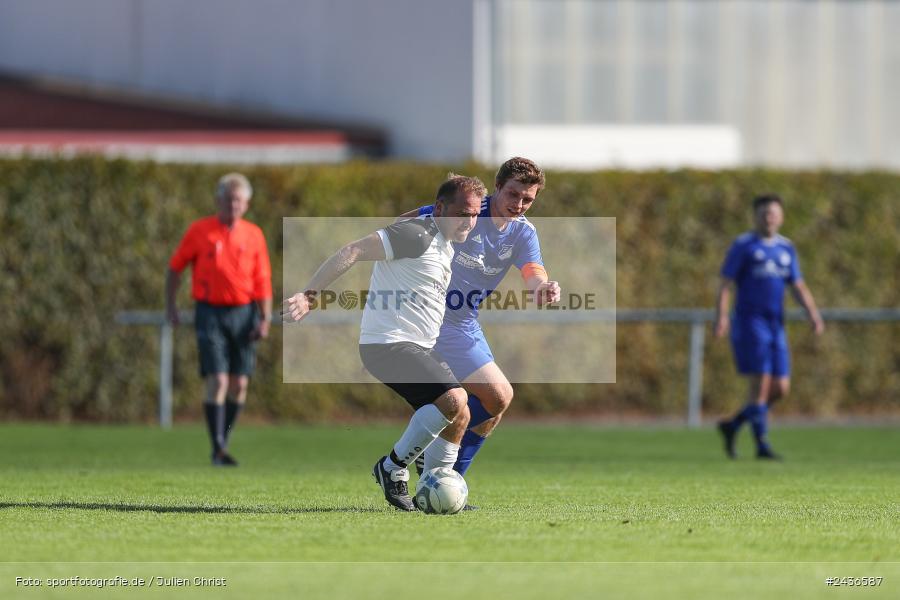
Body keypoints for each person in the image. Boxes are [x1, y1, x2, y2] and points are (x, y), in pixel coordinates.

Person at [284, 175, 485, 511]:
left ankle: (433, 490)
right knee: (454, 398)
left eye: (475, 214)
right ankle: (391, 468)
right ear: (439, 208)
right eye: (462, 212)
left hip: (419, 346)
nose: (470, 221)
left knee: (461, 414)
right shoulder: (416, 234)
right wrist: (309, 295)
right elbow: (354, 250)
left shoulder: (444, 243)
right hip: (388, 344)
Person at [398, 157, 560, 489]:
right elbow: (403, 223)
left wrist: (542, 288)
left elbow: (533, 272)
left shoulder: (523, 233)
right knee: (498, 395)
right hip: (434, 319)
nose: (519, 205)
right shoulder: (468, 209)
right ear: (497, 187)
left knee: (494, 406)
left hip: (465, 323)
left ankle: (445, 479)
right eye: (513, 194)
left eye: (527, 199)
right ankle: (436, 466)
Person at [166, 173, 272, 467]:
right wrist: (171, 306)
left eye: (238, 200)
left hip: (244, 312)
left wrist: (264, 318)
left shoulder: (254, 234)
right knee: (219, 379)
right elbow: (175, 268)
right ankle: (218, 448)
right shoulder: (200, 231)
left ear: (246, 204)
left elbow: (262, 279)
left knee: (239, 383)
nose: (232, 205)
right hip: (210, 312)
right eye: (227, 199)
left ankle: (224, 438)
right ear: (218, 201)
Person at [714, 194, 824, 460]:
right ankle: (761, 445)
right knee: (761, 384)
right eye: (764, 213)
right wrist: (722, 316)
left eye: (773, 213)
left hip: (777, 325)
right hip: (751, 323)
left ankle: (734, 424)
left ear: (781, 216)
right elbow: (725, 284)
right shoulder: (744, 246)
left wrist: (813, 314)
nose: (769, 218)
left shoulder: (786, 248)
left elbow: (797, 285)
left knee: (781, 388)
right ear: (755, 216)